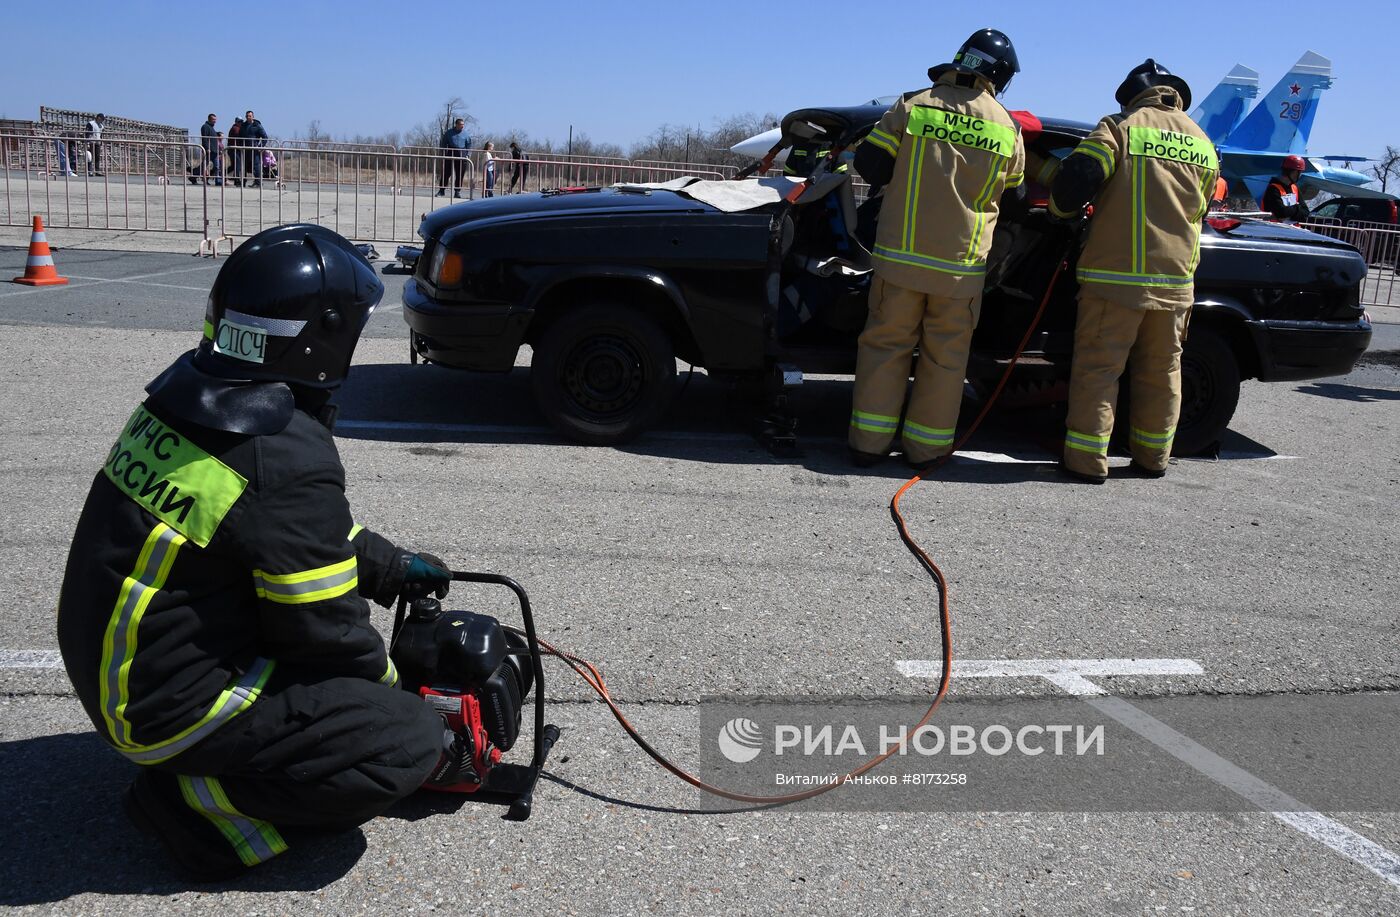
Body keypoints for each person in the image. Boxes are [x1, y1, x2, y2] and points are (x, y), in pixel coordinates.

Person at [56, 225, 473, 880]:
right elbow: (328, 638)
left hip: (124, 676)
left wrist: (385, 564)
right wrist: (410, 707)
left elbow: (269, 529)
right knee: (404, 745)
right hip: (165, 710)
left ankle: (203, 765)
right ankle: (199, 804)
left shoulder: (186, 402)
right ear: (321, 336)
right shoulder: (281, 449)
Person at [847, 28, 1025, 471]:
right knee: (945, 362)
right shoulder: (1006, 125)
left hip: (900, 261)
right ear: (997, 75)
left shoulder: (914, 105)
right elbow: (1017, 199)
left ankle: (867, 446)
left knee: (885, 349)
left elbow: (869, 163)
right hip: (960, 272)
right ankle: (925, 452)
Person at [1049, 59, 1219, 483]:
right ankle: (1152, 459)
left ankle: (1087, 462)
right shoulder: (1202, 141)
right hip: (1176, 284)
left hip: (1116, 280)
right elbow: (1202, 208)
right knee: (1162, 372)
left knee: (1099, 370)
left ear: (1133, 95)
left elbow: (1078, 178)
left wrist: (1060, 210)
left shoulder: (1120, 127)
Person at [1261, 154, 1310, 222]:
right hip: (1274, 229)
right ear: (1295, 172)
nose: (1300, 175)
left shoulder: (1294, 188)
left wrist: (1291, 211)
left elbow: (1306, 213)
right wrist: (1297, 207)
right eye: (1300, 172)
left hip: (1292, 229)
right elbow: (1281, 213)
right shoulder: (1273, 189)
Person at [437, 118, 470, 198]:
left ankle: (457, 192)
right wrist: (443, 153)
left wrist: (468, 154)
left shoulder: (466, 134)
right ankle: (442, 191)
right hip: (451, 152)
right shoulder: (449, 133)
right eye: (461, 125)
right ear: (456, 125)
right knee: (446, 172)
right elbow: (444, 143)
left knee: (460, 174)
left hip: (462, 153)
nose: (462, 127)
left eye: (463, 125)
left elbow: (468, 144)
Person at [241, 110, 268, 188]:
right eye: (247, 116)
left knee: (256, 166)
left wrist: (260, 146)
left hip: (254, 149)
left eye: (249, 116)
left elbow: (265, 137)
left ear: (253, 116)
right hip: (244, 149)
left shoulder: (257, 125)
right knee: (244, 167)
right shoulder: (243, 125)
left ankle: (258, 182)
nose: (248, 117)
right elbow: (240, 136)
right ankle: (243, 182)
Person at [199, 113, 222, 185]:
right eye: (213, 119)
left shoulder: (212, 128)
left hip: (215, 151)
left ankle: (218, 181)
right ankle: (193, 176)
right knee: (204, 166)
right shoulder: (205, 127)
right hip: (209, 151)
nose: (215, 121)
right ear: (209, 119)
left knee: (217, 166)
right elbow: (205, 138)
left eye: (215, 119)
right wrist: (207, 148)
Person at [228, 117, 245, 186]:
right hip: (234, 149)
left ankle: (221, 174)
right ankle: (237, 180)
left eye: (241, 121)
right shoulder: (236, 128)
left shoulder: (237, 128)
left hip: (235, 149)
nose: (241, 123)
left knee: (233, 166)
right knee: (237, 165)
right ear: (236, 122)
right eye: (239, 122)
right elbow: (239, 136)